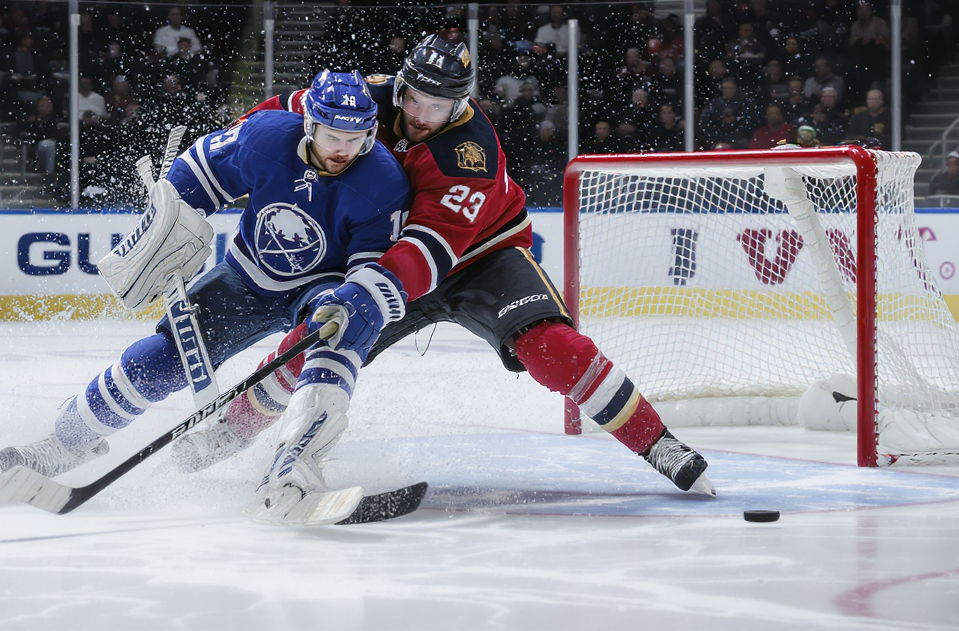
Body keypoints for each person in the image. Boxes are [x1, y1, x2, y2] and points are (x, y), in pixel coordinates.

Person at [177, 36, 716, 498]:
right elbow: (285, 116)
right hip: (392, 255)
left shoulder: (471, 154)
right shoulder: (370, 96)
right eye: (413, 98)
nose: (417, 115)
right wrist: (225, 144)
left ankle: (658, 443)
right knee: (314, 340)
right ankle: (229, 431)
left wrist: (368, 291)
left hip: (480, 256)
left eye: (436, 107)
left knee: (552, 346)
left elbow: (430, 249)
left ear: (462, 102)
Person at [0, 71, 413, 525]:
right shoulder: (265, 138)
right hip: (246, 275)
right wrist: (172, 212)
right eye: (333, 135)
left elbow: (371, 266)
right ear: (310, 124)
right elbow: (199, 170)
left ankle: (287, 464)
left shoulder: (384, 183)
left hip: (322, 288)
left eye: (356, 137)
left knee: (333, 338)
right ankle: (66, 441)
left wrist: (353, 297)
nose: (343, 148)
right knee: (163, 358)